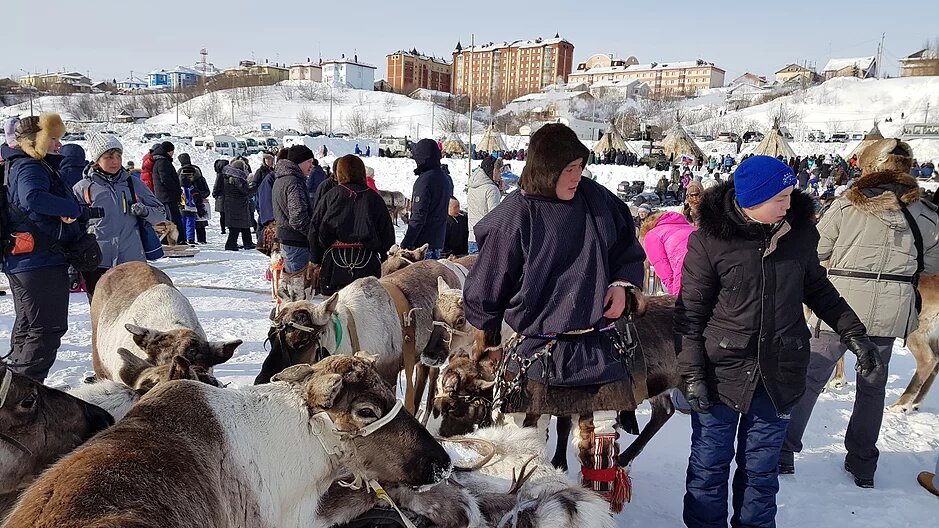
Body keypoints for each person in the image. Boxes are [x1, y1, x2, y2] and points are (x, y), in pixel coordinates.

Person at [675, 155, 878, 527]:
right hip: (721, 370)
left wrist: (853, 332)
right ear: (751, 200)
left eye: (789, 196)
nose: (789, 204)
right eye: (779, 198)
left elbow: (817, 287)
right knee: (709, 467)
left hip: (780, 371)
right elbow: (690, 314)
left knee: (761, 471)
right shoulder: (709, 242)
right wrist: (690, 374)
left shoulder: (799, 234)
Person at [463, 124, 646, 512]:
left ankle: (595, 515)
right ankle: (524, 512)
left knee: (600, 438)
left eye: (580, 166)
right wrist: (489, 336)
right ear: (546, 170)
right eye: (568, 169)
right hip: (536, 347)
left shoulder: (597, 200)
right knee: (524, 441)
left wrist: (621, 284)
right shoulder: (517, 213)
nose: (577, 176)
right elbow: (489, 280)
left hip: (595, 342)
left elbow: (626, 247)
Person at [781, 139, 939, 488]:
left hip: (840, 305)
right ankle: (863, 462)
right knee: (872, 386)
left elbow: (816, 248)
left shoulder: (847, 207)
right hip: (891, 308)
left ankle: (783, 450)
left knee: (810, 378)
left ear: (868, 168)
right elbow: (933, 262)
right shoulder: (926, 214)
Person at [1, 113, 83, 381]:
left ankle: (13, 390)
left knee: (29, 326)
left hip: (26, 260)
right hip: (38, 260)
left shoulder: (16, 164)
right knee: (46, 329)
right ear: (35, 141)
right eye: (53, 139)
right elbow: (32, 198)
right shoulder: (30, 166)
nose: (58, 145)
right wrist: (71, 208)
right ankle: (22, 396)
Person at [73, 133, 166, 297]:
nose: (115, 161)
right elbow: (72, 225)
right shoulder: (83, 188)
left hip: (131, 260)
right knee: (101, 314)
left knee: (134, 309)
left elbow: (160, 214)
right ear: (97, 159)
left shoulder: (133, 183)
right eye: (109, 157)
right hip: (96, 261)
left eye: (118, 156)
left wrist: (144, 211)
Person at [309, 155, 394, 295]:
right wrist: (385, 258)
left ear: (340, 173)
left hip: (334, 265)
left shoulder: (331, 196)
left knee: (335, 312)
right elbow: (387, 233)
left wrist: (315, 259)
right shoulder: (374, 198)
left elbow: (315, 228)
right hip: (367, 263)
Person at [401, 139, 453, 260]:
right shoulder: (444, 178)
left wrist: (406, 243)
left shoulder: (424, 181)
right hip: (437, 241)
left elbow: (419, 215)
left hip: (422, 247)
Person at [272, 145, 315, 272]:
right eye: (309, 162)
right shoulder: (294, 182)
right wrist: (313, 235)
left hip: (288, 239)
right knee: (298, 284)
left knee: (292, 281)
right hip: (296, 242)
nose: (312, 166)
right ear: (299, 162)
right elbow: (298, 218)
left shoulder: (282, 179)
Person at [639, 211, 696, 295]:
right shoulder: (691, 228)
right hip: (711, 264)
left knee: (685, 304)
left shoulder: (652, 235)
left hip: (685, 269)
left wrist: (674, 293)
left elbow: (663, 269)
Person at [466, 155, 502, 255]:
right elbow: (495, 216)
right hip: (485, 239)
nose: (500, 174)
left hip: (472, 236)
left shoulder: (472, 185)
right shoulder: (491, 189)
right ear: (492, 171)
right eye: (499, 171)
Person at [222, 159, 256, 251]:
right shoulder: (237, 178)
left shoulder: (229, 176)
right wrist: (254, 186)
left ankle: (247, 242)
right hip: (237, 204)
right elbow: (245, 191)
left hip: (233, 203)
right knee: (236, 226)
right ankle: (231, 244)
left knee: (243, 224)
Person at [151, 141, 183, 237]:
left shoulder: (161, 161)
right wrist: (176, 190)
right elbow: (165, 179)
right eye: (172, 151)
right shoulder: (163, 162)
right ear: (169, 151)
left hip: (165, 195)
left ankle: (174, 238)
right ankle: (175, 239)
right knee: (172, 218)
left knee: (170, 218)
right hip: (167, 196)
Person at [178, 153, 209, 244]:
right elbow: (206, 190)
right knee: (197, 220)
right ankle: (200, 239)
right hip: (196, 201)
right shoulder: (197, 170)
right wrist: (200, 197)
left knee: (185, 220)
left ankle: (185, 238)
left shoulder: (180, 172)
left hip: (184, 203)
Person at [253, 153, 276, 229]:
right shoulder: (260, 171)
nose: (269, 161)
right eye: (267, 159)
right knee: (262, 217)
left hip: (272, 196)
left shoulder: (274, 171)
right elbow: (255, 184)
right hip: (262, 196)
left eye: (270, 159)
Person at [212, 159, 229, 234]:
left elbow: (216, 186)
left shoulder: (220, 175)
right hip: (229, 196)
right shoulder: (230, 173)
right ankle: (228, 226)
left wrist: (214, 194)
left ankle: (223, 229)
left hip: (221, 197)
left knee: (222, 214)